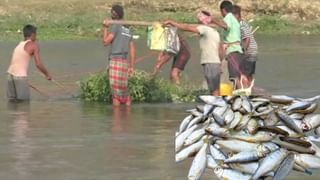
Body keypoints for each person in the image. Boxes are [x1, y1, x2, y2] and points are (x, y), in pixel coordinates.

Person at [163, 10, 224, 96]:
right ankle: (217, 106)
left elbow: (187, 27)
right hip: (216, 63)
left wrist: (172, 22)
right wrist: (220, 63)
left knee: (213, 90)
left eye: (198, 21)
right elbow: (221, 50)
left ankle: (215, 106)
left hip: (210, 62)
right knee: (215, 89)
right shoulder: (215, 32)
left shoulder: (204, 29)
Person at [7, 24, 52, 101]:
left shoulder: (19, 44)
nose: (36, 37)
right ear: (33, 34)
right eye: (36, 34)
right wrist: (47, 74)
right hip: (20, 77)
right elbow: (38, 64)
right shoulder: (33, 45)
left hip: (10, 76)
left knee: (13, 103)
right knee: (24, 104)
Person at [102, 4, 136, 106]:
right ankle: (126, 114)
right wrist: (131, 66)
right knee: (124, 91)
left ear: (114, 15)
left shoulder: (116, 26)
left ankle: (116, 119)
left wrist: (105, 28)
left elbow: (105, 42)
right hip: (124, 62)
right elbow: (132, 49)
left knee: (116, 93)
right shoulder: (128, 28)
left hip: (115, 60)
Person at [211, 0, 243, 89]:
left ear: (223, 10)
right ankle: (239, 94)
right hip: (238, 50)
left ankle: (242, 96)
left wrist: (214, 20)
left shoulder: (228, 17)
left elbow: (226, 26)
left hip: (233, 51)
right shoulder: (234, 19)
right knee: (237, 76)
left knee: (234, 77)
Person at [232, 5, 258, 88]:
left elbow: (247, 38)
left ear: (236, 15)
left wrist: (243, 50)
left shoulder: (241, 25)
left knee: (243, 74)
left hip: (249, 51)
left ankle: (246, 91)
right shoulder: (243, 24)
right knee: (249, 73)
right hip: (253, 51)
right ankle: (250, 89)